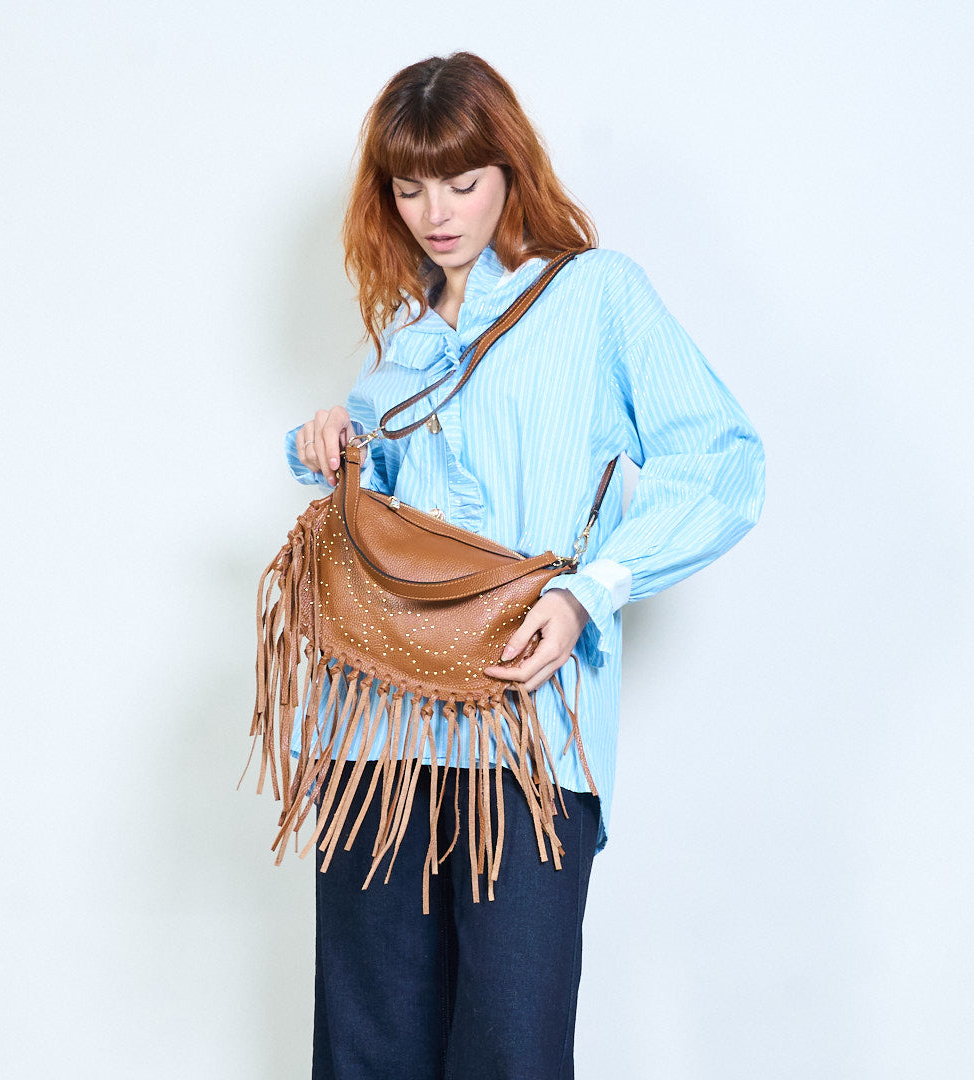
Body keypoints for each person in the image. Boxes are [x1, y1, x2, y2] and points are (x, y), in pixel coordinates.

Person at [281, 52, 764, 1079]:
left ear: (509, 169)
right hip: (376, 729)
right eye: (410, 189)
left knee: (512, 1047)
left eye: (461, 182)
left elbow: (723, 461)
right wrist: (333, 440)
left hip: (527, 731)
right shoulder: (405, 340)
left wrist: (591, 592)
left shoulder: (596, 296)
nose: (436, 214)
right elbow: (385, 525)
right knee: (367, 1049)